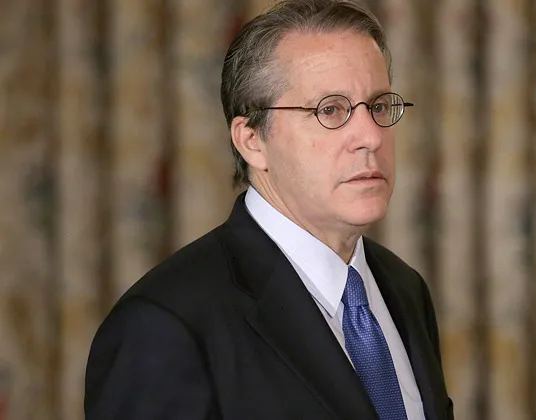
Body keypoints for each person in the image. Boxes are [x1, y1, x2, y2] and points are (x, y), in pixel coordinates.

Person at [84, 0, 454, 419]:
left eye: (379, 106)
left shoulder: (404, 289)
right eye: (330, 110)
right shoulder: (163, 325)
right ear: (252, 141)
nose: (370, 136)